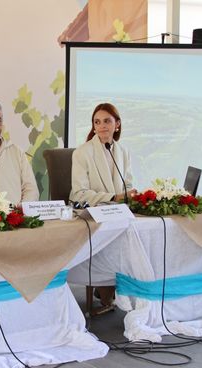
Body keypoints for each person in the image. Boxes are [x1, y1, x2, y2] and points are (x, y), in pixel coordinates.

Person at [70, 102, 137, 315]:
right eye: (96, 122)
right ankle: (106, 289)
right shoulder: (82, 153)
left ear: (117, 124)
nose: (102, 126)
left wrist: (131, 195)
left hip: (120, 214)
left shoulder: (123, 152)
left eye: (107, 121)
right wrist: (112, 197)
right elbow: (78, 194)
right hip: (95, 216)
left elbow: (127, 184)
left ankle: (124, 289)